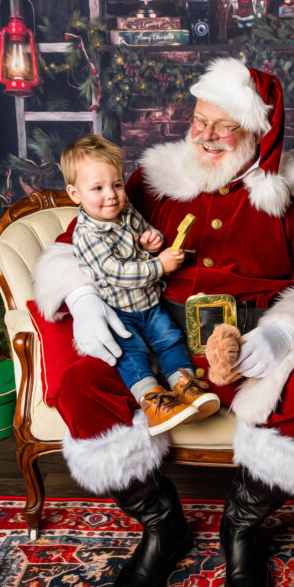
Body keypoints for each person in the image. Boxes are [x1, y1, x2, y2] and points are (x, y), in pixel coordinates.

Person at [32, 57, 294, 587]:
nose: (206, 136)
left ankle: (240, 525)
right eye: (199, 120)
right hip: (156, 337)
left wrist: (283, 335)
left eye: (223, 125)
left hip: (255, 344)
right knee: (79, 389)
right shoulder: (153, 180)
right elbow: (73, 243)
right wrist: (83, 298)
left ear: (257, 132)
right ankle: (162, 525)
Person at [61, 135, 220, 436]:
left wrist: (152, 241)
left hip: (150, 302)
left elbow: (144, 231)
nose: (111, 195)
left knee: (169, 340)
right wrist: (159, 265)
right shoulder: (87, 234)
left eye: (117, 184)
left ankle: (185, 385)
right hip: (119, 312)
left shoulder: (126, 212)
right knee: (131, 354)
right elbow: (115, 272)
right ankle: (153, 401)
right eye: (98, 188)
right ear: (75, 193)